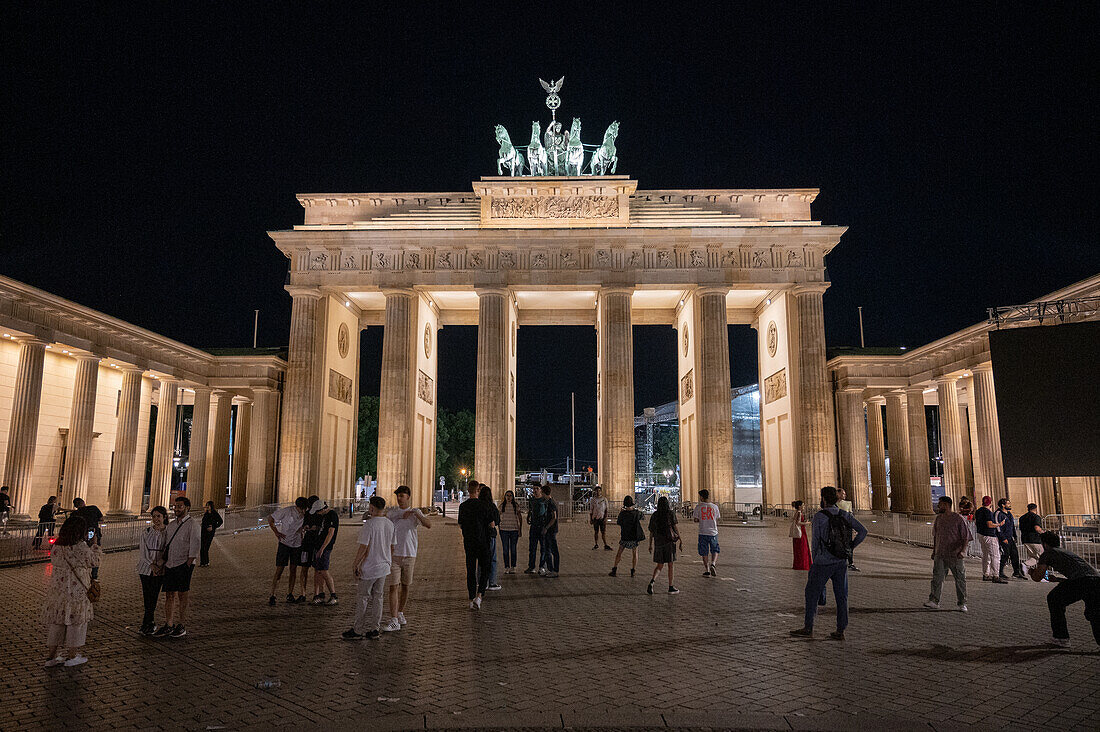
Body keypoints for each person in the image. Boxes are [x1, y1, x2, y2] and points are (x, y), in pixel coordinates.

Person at [790, 486, 868, 640]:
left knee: (811, 593)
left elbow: (816, 541)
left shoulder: (820, 516)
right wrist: (850, 547)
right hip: (841, 561)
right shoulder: (844, 514)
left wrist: (814, 560)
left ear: (824, 499)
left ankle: (808, 627)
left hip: (823, 562)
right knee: (841, 596)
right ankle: (840, 630)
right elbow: (863, 531)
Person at [42, 515, 100, 667]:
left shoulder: (57, 546)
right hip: (77, 590)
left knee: (57, 623)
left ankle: (51, 657)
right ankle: (72, 656)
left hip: (58, 590)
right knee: (77, 622)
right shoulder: (80, 546)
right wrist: (95, 545)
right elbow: (94, 562)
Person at [1028, 532, 1100, 648]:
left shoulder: (1048, 554)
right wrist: (1058, 579)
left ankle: (1061, 638)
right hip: (1095, 581)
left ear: (1045, 544)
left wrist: (1031, 572)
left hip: (1082, 581)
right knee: (1095, 613)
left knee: (1054, 599)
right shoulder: (1064, 552)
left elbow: (1037, 577)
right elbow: (1080, 574)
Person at [343, 496, 396, 640]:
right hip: (384, 567)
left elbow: (364, 547)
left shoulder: (369, 525)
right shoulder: (390, 524)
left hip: (370, 567)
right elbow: (392, 547)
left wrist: (356, 563)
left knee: (363, 598)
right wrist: (387, 560)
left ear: (372, 508)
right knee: (378, 598)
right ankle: (374, 629)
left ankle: (358, 629)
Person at [382, 486, 431, 630]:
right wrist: (399, 516)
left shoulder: (415, 513)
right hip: (394, 555)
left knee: (405, 586)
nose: (399, 498)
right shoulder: (392, 513)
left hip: (410, 554)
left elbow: (428, 525)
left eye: (402, 496)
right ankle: (394, 619)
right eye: (398, 496)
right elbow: (385, 522)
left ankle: (400, 612)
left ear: (408, 497)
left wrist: (417, 514)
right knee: (393, 586)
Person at [157, 496, 200, 638]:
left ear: (187, 507)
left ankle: (182, 624)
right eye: (175, 506)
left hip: (183, 563)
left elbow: (195, 544)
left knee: (183, 595)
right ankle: (169, 624)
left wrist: (189, 562)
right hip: (171, 563)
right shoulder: (172, 525)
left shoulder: (192, 524)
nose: (176, 509)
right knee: (169, 594)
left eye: (180, 506)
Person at [923, 496, 969, 612]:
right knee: (937, 578)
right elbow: (935, 536)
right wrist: (934, 551)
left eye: (940, 504)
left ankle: (962, 603)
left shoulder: (958, 519)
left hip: (955, 554)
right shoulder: (939, 519)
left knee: (960, 579)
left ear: (946, 505)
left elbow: (965, 537)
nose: (938, 506)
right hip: (940, 553)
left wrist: (963, 551)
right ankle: (934, 600)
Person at [266, 496, 309, 605]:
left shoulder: (306, 514)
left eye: (305, 509)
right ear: (297, 507)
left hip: (297, 544)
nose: (303, 511)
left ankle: (290, 594)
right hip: (284, 543)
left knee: (293, 569)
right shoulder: (287, 511)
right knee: (279, 569)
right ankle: (273, 594)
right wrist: (276, 532)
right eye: (302, 509)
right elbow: (270, 518)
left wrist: (304, 529)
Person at [458, 480, 491, 609]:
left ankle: (471, 598)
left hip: (469, 542)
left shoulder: (463, 506)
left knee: (470, 570)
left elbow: (460, 524)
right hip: (483, 541)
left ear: (468, 490)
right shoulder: (484, 506)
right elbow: (491, 523)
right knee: (485, 569)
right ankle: (479, 595)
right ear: (478, 490)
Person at [136, 505, 168, 635]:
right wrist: (151, 564)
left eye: (158, 516)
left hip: (161, 569)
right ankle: (148, 622)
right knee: (147, 596)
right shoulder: (146, 532)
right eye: (154, 516)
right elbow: (143, 552)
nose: (156, 519)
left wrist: (159, 564)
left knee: (154, 596)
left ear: (164, 517)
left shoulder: (168, 532)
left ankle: (148, 623)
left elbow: (168, 550)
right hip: (145, 568)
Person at [647, 495, 682, 594]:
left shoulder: (655, 515)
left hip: (658, 542)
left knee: (659, 565)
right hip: (669, 542)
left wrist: (650, 545)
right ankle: (671, 586)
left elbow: (651, 531)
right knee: (670, 565)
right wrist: (680, 539)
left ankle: (652, 582)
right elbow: (675, 528)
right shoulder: (670, 514)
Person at [309, 499, 340, 605]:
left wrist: (322, 548)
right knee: (318, 570)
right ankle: (320, 595)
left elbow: (330, 533)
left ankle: (333, 595)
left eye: (318, 512)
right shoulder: (324, 516)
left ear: (322, 509)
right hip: (318, 545)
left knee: (324, 571)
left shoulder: (332, 515)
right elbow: (323, 529)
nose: (317, 514)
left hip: (325, 547)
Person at [609, 495, 645, 577]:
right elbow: (642, 516)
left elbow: (618, 522)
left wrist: (621, 512)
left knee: (619, 552)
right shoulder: (636, 513)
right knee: (635, 553)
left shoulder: (623, 513)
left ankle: (614, 569)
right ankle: (633, 570)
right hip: (634, 536)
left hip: (625, 536)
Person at [975, 496, 1007, 583]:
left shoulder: (978, 511)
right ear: (990, 503)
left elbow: (975, 522)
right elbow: (989, 524)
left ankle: (986, 574)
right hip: (989, 535)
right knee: (995, 556)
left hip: (981, 534)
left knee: (986, 555)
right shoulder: (987, 512)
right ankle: (996, 576)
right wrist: (999, 524)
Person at [72, 497, 104, 579]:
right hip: (94, 534)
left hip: (81, 536)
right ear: (83, 502)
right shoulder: (93, 508)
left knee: (81, 554)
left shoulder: (75, 514)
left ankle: (83, 573)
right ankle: (94, 575)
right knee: (95, 553)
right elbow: (101, 518)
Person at [692, 488, 721, 577]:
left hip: (703, 531)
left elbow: (696, 519)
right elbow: (717, 518)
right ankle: (713, 563)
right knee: (715, 549)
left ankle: (707, 570)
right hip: (713, 532)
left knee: (704, 552)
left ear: (701, 497)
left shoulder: (698, 507)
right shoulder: (715, 507)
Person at [995, 498, 1025, 579]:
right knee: (1005, 554)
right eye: (1008, 503)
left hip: (1010, 537)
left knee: (1015, 554)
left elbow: (1012, 526)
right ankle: (999, 572)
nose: (1009, 505)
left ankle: (1016, 572)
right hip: (1004, 538)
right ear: (1003, 505)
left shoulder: (1009, 514)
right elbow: (998, 527)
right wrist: (1002, 538)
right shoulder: (998, 513)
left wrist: (1015, 536)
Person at [524, 483, 550, 574]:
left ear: (540, 490)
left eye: (537, 488)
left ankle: (542, 566)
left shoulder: (544, 500)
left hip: (542, 525)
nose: (535, 490)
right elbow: (530, 510)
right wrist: (528, 517)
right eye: (534, 488)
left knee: (543, 547)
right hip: (534, 526)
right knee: (532, 547)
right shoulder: (532, 500)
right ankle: (531, 567)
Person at [481, 485, 502, 591]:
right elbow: (497, 521)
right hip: (490, 535)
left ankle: (481, 582)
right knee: (492, 559)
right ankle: (492, 582)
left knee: (481, 560)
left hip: (479, 536)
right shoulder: (491, 506)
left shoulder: (477, 506)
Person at [498, 490, 523, 575]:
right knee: (505, 549)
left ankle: (513, 566)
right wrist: (499, 526)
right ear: (505, 497)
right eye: (507, 495)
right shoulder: (502, 506)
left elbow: (519, 517)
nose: (509, 497)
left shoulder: (516, 506)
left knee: (513, 549)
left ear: (513, 497)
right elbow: (498, 516)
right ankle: (506, 566)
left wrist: (520, 529)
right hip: (504, 529)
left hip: (514, 530)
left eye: (510, 496)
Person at [836, 488, 860, 571]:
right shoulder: (834, 504)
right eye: (843, 493)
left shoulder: (848, 503)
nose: (844, 495)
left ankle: (851, 563)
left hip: (847, 527)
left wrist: (853, 527)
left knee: (849, 545)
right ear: (837, 494)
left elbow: (851, 516)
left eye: (844, 493)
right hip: (838, 528)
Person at [538, 485, 560, 577]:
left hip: (551, 530)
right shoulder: (548, 502)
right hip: (549, 530)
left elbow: (554, 517)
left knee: (553, 550)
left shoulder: (551, 503)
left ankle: (555, 570)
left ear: (543, 492)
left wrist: (546, 527)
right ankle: (550, 569)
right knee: (547, 550)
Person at [1020, 503, 1045, 571]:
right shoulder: (1036, 517)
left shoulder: (1022, 517)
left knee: (1033, 557)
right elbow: (1037, 528)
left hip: (1025, 539)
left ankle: (1025, 564)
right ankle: (1042, 574)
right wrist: (1043, 532)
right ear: (1035, 509)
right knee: (1043, 557)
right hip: (1035, 540)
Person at [199, 501, 222, 567]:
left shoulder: (214, 513)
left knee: (206, 547)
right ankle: (202, 562)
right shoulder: (206, 514)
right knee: (202, 547)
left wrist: (213, 527)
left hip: (210, 533)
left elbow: (220, 521)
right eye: (206, 505)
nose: (207, 506)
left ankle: (206, 562)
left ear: (211, 506)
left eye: (208, 505)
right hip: (203, 532)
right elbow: (203, 522)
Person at [790, 500, 811, 571]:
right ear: (799, 506)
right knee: (802, 548)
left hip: (800, 531)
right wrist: (806, 523)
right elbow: (798, 523)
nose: (804, 507)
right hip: (801, 531)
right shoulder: (799, 513)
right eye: (803, 505)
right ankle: (802, 564)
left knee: (799, 548)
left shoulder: (797, 512)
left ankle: (798, 563)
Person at [589, 485, 611, 550]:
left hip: (602, 518)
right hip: (595, 518)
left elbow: (606, 509)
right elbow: (591, 510)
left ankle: (605, 544)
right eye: (596, 491)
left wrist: (605, 518)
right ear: (595, 492)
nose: (598, 492)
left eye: (599, 491)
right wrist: (590, 519)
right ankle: (596, 544)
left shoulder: (604, 499)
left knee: (603, 532)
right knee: (596, 531)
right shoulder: (593, 500)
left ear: (601, 492)